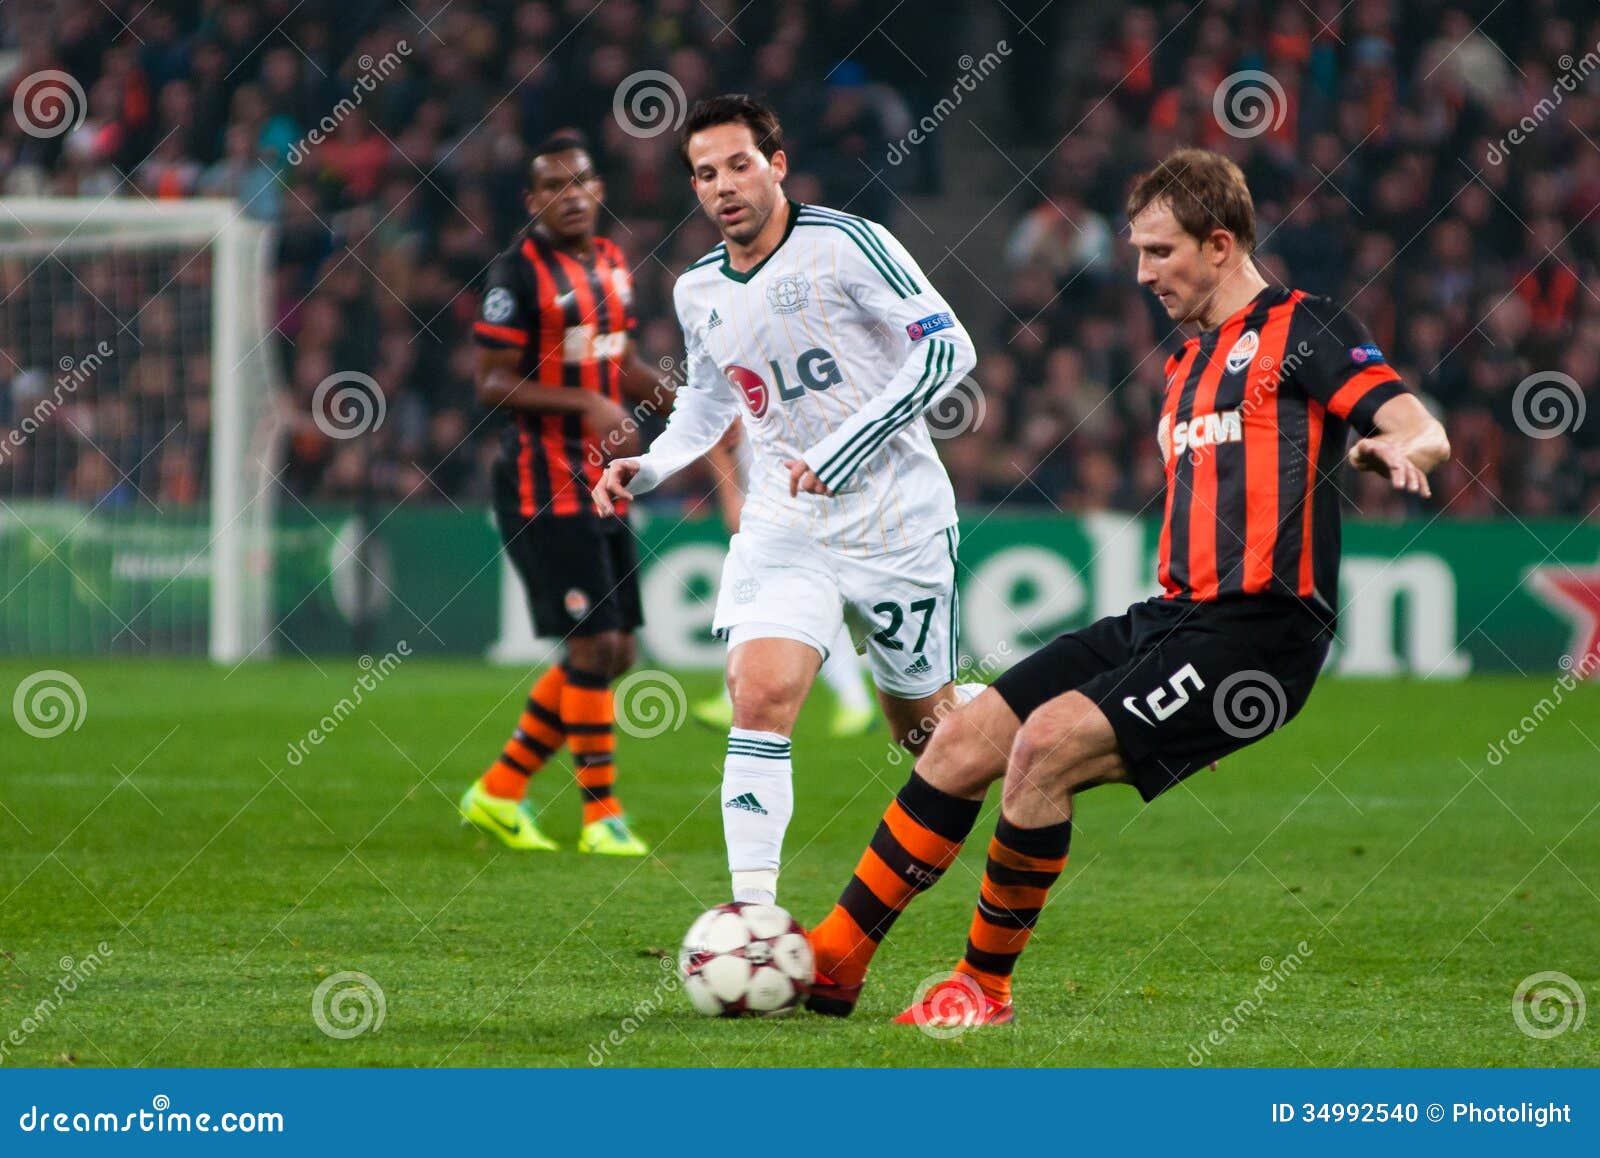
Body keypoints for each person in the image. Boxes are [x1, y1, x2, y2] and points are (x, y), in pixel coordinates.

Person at [803, 148, 1452, 1024]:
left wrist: (1391, 449)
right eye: (1139, 253)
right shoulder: (1185, 364)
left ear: (1220, 245)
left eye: (1160, 253)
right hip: (1169, 618)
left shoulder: (1304, 329)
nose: (1142, 273)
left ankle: (980, 990)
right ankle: (832, 960)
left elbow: (1423, 430)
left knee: (1043, 750)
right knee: (960, 742)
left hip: (1258, 636)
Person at [592, 95, 979, 905]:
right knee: (759, 694)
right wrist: (651, 466)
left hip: (894, 521)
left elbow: (948, 346)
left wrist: (849, 443)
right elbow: (708, 399)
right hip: (787, 521)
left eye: (738, 164)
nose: (723, 186)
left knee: (929, 738)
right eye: (705, 174)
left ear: (776, 164)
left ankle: (1017, 716)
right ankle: (754, 915)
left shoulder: (847, 245)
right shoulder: (698, 289)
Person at [458, 131, 664, 856]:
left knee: (620, 651)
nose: (569, 195)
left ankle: (500, 791)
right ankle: (601, 815)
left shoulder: (611, 261)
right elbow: (489, 382)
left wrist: (687, 399)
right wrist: (587, 407)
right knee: (596, 642)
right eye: (552, 186)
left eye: (579, 181)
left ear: (598, 187)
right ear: (532, 201)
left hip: (603, 485)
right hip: (544, 486)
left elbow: (624, 362)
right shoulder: (516, 276)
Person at [691, 422, 878, 739]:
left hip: (805, 503)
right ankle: (854, 699)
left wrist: (731, 499)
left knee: (801, 600)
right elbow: (718, 433)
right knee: (784, 599)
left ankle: (856, 699)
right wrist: (731, 498)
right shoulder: (739, 384)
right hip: (772, 504)